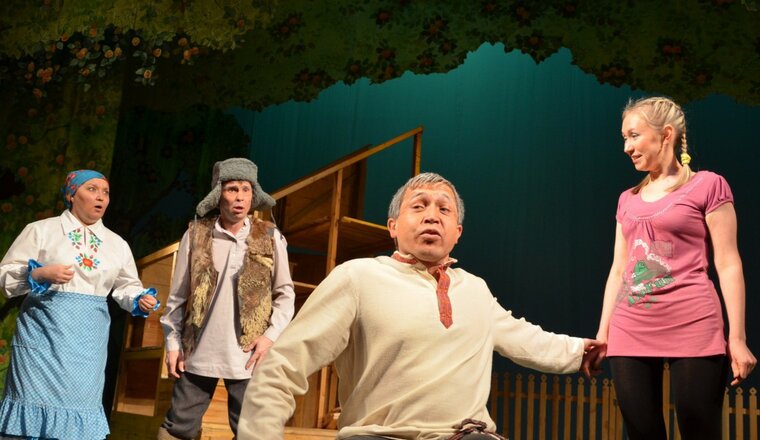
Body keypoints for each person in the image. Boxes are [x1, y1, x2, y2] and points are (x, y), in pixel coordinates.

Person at [237, 172, 604, 440]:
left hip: (464, 435)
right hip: (378, 435)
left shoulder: (475, 290)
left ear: (457, 233)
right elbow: (285, 365)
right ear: (393, 226)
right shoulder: (358, 277)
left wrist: (581, 352)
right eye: (419, 206)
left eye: (444, 209)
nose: (432, 215)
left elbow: (525, 339)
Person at [594, 96, 757, 440]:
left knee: (699, 426)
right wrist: (604, 333)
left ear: (665, 134)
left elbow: (728, 262)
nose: (627, 147)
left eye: (634, 136)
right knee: (642, 431)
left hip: (693, 321)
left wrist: (737, 338)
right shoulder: (627, 199)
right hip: (631, 327)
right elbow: (618, 269)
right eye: (624, 138)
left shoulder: (708, 185)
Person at [0, 169, 159, 439]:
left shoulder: (116, 244)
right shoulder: (41, 230)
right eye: (92, 189)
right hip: (42, 334)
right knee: (32, 403)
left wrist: (138, 298)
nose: (101, 197)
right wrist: (39, 274)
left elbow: (126, 284)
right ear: (72, 194)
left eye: (105, 192)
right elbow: (5, 276)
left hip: (88, 341)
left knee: (79, 404)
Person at [158, 157, 295, 440]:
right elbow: (178, 297)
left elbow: (285, 293)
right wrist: (172, 343)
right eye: (232, 189)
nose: (240, 197)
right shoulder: (196, 234)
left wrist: (270, 337)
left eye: (246, 189)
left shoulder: (269, 236)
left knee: (253, 433)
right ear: (218, 194)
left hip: (248, 356)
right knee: (177, 429)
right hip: (198, 352)